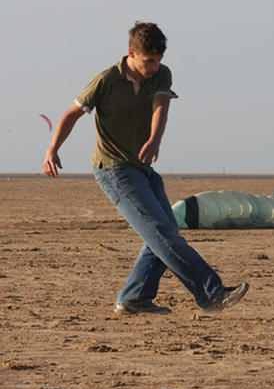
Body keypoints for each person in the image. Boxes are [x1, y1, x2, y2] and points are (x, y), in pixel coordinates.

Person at [43, 22, 248, 314]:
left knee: (163, 231)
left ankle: (134, 298)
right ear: (131, 53)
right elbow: (72, 114)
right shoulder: (106, 80)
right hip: (114, 169)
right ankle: (211, 293)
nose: (154, 67)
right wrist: (52, 149)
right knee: (162, 231)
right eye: (148, 60)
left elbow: (160, 106)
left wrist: (154, 139)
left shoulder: (162, 74)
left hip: (142, 168)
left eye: (158, 60)